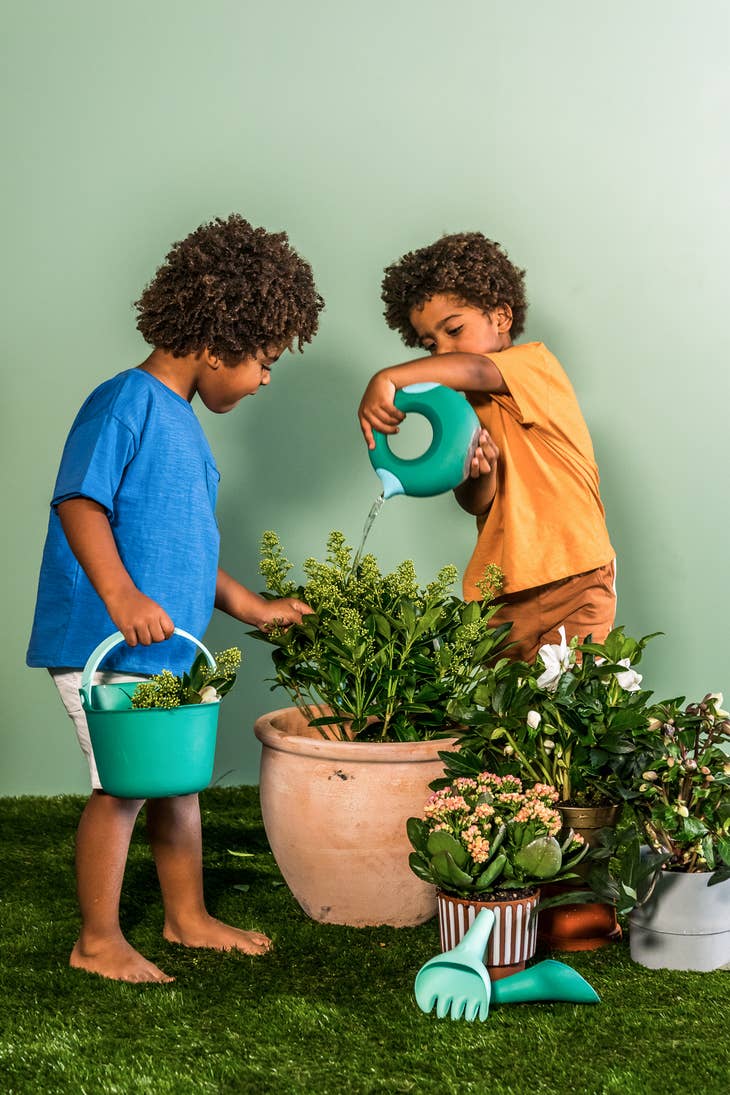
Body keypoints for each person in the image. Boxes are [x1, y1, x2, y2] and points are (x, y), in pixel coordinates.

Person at [27, 214, 323, 983]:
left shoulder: (184, 427)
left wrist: (253, 606)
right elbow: (78, 502)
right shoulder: (124, 400)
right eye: (263, 360)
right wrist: (122, 594)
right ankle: (96, 939)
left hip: (161, 652)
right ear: (219, 343)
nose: (263, 378)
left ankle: (185, 916)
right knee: (123, 785)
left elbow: (184, 553)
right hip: (106, 642)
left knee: (175, 781)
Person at [358, 231, 615, 663]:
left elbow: (476, 369)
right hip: (504, 590)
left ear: (501, 316)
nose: (442, 349)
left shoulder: (534, 366)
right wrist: (483, 472)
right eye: (430, 344)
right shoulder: (465, 412)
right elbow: (478, 503)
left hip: (575, 579)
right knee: (496, 719)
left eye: (454, 329)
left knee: (569, 710)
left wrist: (387, 378)